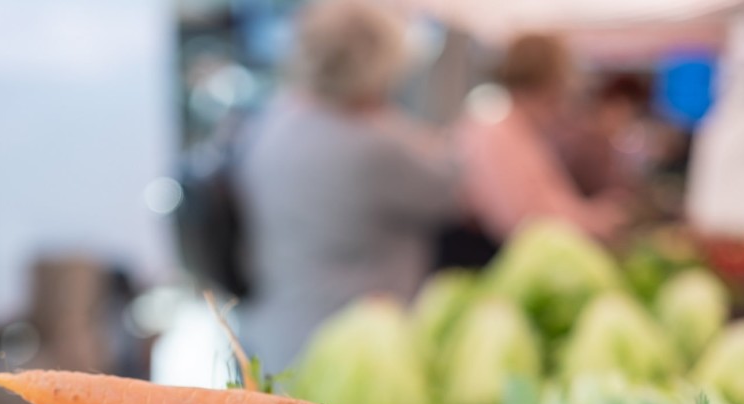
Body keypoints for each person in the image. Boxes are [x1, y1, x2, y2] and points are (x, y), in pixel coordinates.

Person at [234, 0, 460, 374]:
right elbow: (451, 188)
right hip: (355, 353)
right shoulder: (375, 144)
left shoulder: (273, 119)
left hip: (275, 335)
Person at [458, 33, 629, 245]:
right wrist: (590, 221)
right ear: (553, 79)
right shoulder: (496, 129)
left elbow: (544, 204)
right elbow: (519, 221)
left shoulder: (517, 127)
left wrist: (592, 216)